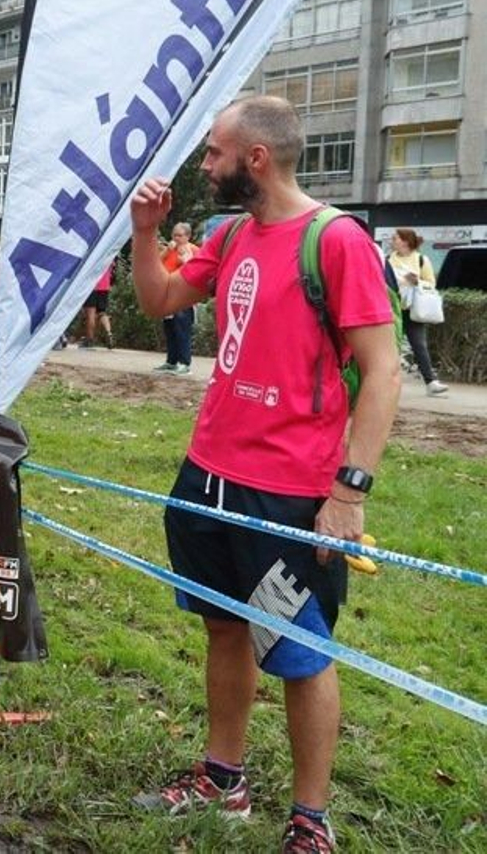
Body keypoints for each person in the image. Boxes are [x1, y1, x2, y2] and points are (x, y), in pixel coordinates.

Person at [128, 96, 400, 854]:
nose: (204, 166)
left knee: (298, 650)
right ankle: (224, 776)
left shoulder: (335, 240)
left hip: (286, 490)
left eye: (213, 154)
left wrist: (348, 493)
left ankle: (311, 820)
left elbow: (383, 372)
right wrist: (145, 235)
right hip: (207, 473)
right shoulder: (229, 234)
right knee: (225, 624)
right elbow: (159, 301)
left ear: (253, 159)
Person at [386, 228, 448, 396]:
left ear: (405, 241)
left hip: (414, 309)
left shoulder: (421, 260)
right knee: (390, 347)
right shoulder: (388, 260)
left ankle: (431, 382)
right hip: (393, 309)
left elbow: (430, 283)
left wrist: (416, 281)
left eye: (395, 238)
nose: (392, 241)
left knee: (419, 345)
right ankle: (387, 382)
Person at [154, 223, 198, 375]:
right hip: (167, 295)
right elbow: (156, 264)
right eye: (174, 235)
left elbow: (197, 271)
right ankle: (171, 361)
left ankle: (184, 363)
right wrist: (167, 250)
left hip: (183, 296)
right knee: (170, 329)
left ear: (187, 236)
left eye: (179, 235)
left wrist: (185, 259)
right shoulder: (169, 250)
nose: (176, 238)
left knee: (182, 329)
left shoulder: (192, 250)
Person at [80, 262, 116, 349]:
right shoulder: (109, 256)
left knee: (90, 313)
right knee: (102, 312)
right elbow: (113, 270)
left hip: (92, 286)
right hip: (105, 287)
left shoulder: (95, 255)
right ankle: (109, 333)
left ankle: (89, 340)